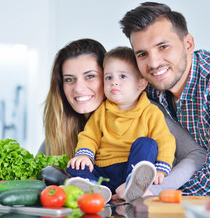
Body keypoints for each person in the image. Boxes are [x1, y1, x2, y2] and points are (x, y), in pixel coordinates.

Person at [119, 1, 210, 196]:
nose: (153, 63)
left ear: (188, 44)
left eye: (163, 47)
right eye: (143, 54)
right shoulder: (151, 88)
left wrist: (155, 195)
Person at [38, 38, 206, 198]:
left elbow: (195, 154)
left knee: (146, 144)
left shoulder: (148, 111)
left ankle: (133, 181)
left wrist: (156, 188)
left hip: (142, 196)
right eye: (69, 79)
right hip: (102, 195)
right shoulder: (60, 131)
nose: (79, 88)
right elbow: (41, 178)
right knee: (73, 170)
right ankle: (93, 188)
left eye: (90, 76)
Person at [66, 46, 176, 203]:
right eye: (108, 78)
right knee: (73, 165)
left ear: (141, 84)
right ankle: (94, 188)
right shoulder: (102, 111)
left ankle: (134, 184)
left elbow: (165, 140)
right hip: (104, 170)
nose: (114, 83)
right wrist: (84, 155)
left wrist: (161, 169)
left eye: (122, 76)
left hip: (132, 169)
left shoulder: (151, 112)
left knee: (147, 143)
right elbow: (89, 136)